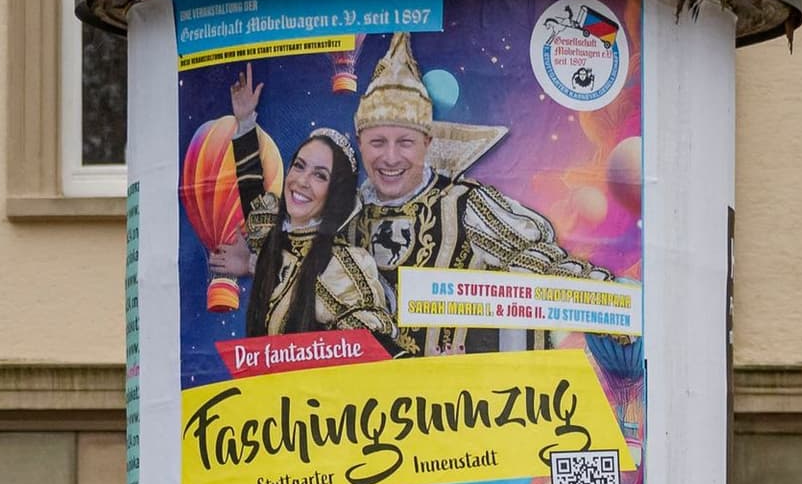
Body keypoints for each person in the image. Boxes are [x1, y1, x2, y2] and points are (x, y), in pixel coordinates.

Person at [341, 31, 612, 357]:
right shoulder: (346, 219)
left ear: (428, 144)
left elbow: (540, 263)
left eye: (405, 142)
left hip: (462, 399)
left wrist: (609, 304)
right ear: (360, 144)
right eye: (377, 142)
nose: (390, 157)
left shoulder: (464, 204)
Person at [201, 67, 402, 350]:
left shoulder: (342, 264)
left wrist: (442, 376)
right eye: (299, 166)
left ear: (336, 195)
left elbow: (374, 347)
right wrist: (245, 120)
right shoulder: (270, 238)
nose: (302, 182)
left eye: (320, 175)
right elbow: (251, 190)